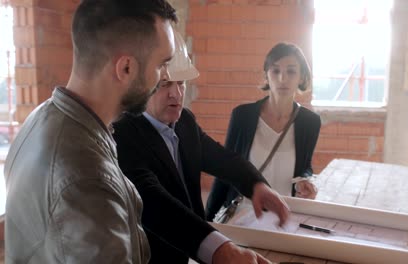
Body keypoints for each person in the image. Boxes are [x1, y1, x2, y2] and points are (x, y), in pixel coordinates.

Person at [4, 0, 177, 263]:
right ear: (126, 68)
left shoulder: (43, 116)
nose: (164, 77)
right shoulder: (87, 177)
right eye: (161, 65)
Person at [112, 31, 289, 264]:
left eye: (182, 83)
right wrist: (220, 249)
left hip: (190, 252)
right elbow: (154, 202)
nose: (176, 94)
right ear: (142, 85)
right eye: (164, 84)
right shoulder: (123, 133)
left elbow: (222, 158)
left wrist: (256, 185)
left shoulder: (184, 120)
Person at [206, 42, 321, 222]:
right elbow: (225, 170)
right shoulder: (242, 116)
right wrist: (207, 220)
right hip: (243, 216)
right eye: (275, 71)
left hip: (283, 217)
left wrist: (306, 180)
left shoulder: (310, 122)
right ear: (266, 75)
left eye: (291, 71)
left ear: (301, 77)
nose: (282, 78)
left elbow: (305, 166)